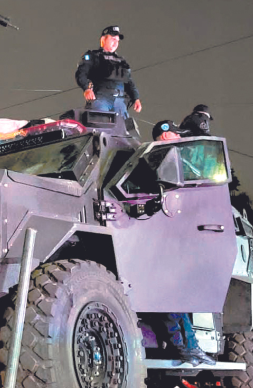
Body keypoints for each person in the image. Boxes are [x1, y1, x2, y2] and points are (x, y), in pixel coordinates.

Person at [152, 120, 216, 367]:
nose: (177, 138)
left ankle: (190, 348)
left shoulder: (177, 161)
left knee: (178, 300)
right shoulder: (157, 159)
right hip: (161, 242)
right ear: (163, 135)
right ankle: (187, 348)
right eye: (172, 134)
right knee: (172, 301)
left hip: (176, 240)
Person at [76, 26, 142, 119]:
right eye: (113, 39)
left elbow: (129, 82)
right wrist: (86, 88)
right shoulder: (93, 56)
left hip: (120, 101)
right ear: (103, 39)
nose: (116, 43)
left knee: (122, 130)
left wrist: (136, 98)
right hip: (101, 98)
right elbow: (81, 74)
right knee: (101, 125)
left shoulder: (122, 61)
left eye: (117, 41)